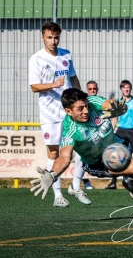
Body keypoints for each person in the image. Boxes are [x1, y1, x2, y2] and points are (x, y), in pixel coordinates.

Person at [30, 88, 133, 211]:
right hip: (97, 162)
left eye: (86, 106)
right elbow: (65, 156)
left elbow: (109, 103)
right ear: (68, 111)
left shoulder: (91, 102)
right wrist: (53, 174)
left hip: (116, 146)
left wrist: (120, 108)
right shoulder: (69, 130)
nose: (86, 111)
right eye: (80, 109)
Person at [29, 21, 88, 207]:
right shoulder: (36, 59)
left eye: (56, 37)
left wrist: (82, 99)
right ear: (43, 37)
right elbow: (34, 86)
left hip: (69, 111)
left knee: (82, 147)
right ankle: (57, 196)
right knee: (54, 152)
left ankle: (76, 185)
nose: (53, 41)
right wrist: (54, 85)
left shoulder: (66, 54)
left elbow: (73, 78)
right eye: (49, 37)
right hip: (50, 113)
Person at [105, 80, 133, 193]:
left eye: (128, 87)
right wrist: (111, 132)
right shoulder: (118, 102)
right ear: (121, 89)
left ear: (130, 89)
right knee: (116, 156)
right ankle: (113, 182)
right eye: (124, 87)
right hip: (121, 131)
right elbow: (114, 118)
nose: (126, 89)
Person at [67, 80, 99, 196]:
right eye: (90, 89)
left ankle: (75, 185)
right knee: (80, 158)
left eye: (94, 89)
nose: (92, 91)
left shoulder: (98, 101)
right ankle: (78, 184)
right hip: (84, 134)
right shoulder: (83, 102)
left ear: (97, 89)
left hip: (97, 137)